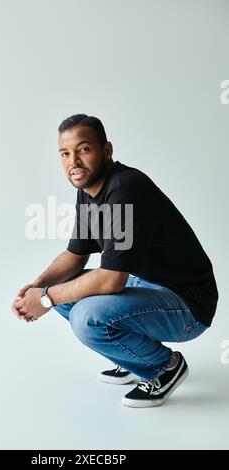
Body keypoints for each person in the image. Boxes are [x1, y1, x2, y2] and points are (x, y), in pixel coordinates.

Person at [12, 114, 219, 408]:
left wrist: (45, 300)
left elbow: (112, 280)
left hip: (188, 306)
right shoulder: (88, 191)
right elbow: (75, 255)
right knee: (66, 287)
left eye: (83, 150)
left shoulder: (126, 190)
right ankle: (133, 356)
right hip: (149, 288)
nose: (74, 162)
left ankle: (165, 368)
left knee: (86, 317)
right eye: (65, 153)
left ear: (106, 150)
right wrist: (37, 286)